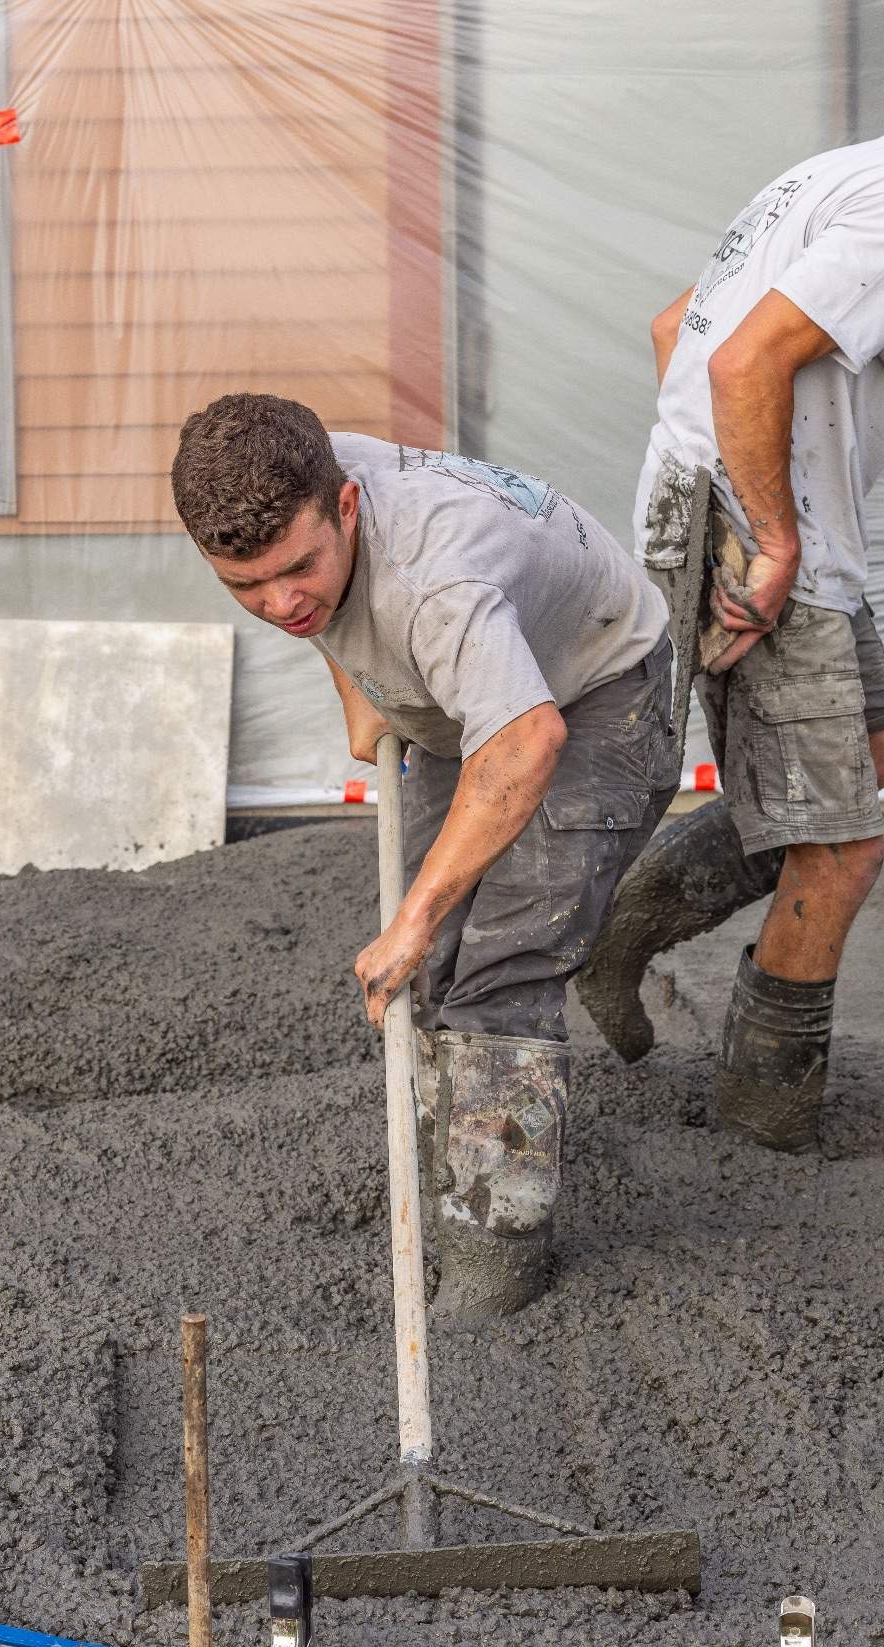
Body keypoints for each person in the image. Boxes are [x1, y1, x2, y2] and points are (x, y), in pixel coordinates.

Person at [576, 39, 884, 1149]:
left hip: (778, 524)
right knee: (844, 849)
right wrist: (767, 536)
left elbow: (678, 327)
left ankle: (629, 920)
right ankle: (768, 1110)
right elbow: (740, 364)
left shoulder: (837, 174)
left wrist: (755, 509)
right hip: (763, 534)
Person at [172, 393, 677, 1320]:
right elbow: (320, 607)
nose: (279, 603)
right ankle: (452, 1180)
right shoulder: (298, 479)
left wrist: (410, 918)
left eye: (297, 572)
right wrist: (361, 688)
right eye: (245, 587)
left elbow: (525, 744)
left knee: (498, 970)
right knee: (432, 970)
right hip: (468, 703)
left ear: (348, 507)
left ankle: (495, 1257)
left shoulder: (438, 583)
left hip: (597, 690)